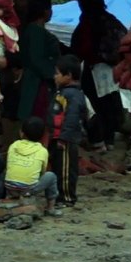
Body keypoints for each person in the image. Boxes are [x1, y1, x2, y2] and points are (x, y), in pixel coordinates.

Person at [71, 0, 126, 153]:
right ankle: (110, 140)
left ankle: (99, 140)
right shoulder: (110, 19)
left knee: (95, 106)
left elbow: (82, 47)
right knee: (109, 103)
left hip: (96, 67)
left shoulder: (89, 21)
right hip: (112, 68)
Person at [4, 116, 62, 216]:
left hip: (10, 186)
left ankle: (11, 196)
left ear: (21, 133)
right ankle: (51, 208)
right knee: (51, 176)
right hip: (28, 188)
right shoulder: (42, 151)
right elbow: (42, 172)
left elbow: (9, 163)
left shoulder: (13, 145)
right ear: (43, 135)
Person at [17, 0, 59, 128]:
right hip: (38, 84)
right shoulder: (36, 32)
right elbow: (37, 59)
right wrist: (54, 75)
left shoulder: (32, 30)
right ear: (45, 11)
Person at [51, 54, 87, 207]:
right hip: (58, 136)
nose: (55, 77)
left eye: (58, 73)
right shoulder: (64, 93)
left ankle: (67, 197)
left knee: (66, 169)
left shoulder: (73, 95)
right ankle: (61, 194)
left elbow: (72, 118)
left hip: (66, 138)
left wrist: (64, 137)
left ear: (69, 75)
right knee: (59, 167)